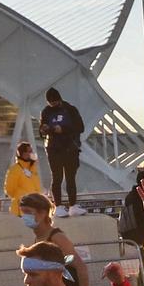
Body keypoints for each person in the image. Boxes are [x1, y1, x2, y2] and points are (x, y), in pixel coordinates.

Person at [18, 190, 92, 286]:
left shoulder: (56, 237)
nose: (25, 216)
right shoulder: (38, 238)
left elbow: (80, 267)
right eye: (23, 212)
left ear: (43, 213)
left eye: (28, 212)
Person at [39, 88, 85, 216]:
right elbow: (42, 127)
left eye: (55, 102)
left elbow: (80, 127)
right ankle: (58, 206)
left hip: (70, 147)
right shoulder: (46, 112)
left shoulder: (70, 109)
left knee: (70, 177)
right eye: (50, 103)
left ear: (59, 99)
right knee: (57, 176)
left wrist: (63, 129)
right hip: (54, 148)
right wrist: (44, 129)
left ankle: (73, 205)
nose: (53, 105)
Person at [2, 140, 39, 215]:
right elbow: (9, 189)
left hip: (34, 207)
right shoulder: (15, 169)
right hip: (21, 210)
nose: (31, 153)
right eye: (29, 151)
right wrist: (20, 197)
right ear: (23, 153)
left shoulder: (33, 169)